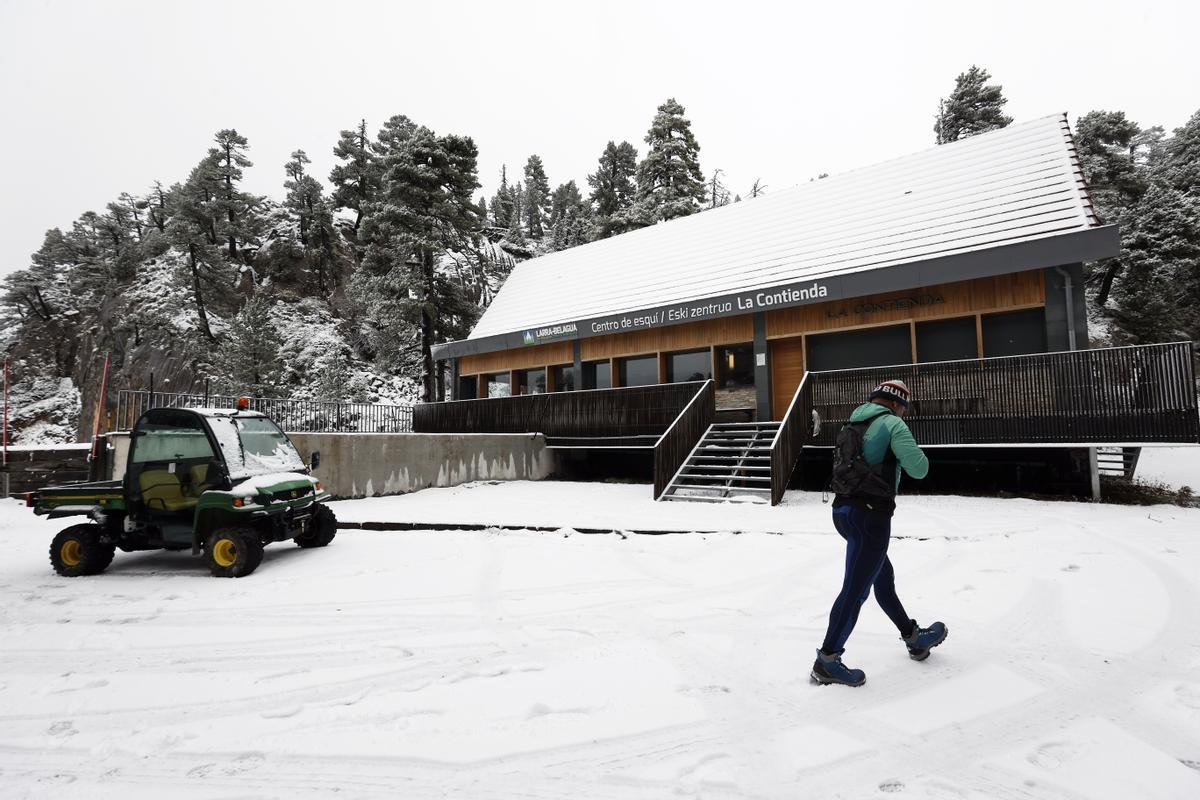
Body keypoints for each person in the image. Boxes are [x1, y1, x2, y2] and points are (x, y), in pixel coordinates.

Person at [811, 379, 947, 687]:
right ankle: (827, 661)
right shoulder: (892, 424)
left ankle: (914, 638)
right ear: (899, 403)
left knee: (881, 579)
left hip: (843, 513)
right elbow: (920, 468)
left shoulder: (853, 422)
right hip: (870, 516)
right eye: (904, 408)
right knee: (855, 591)